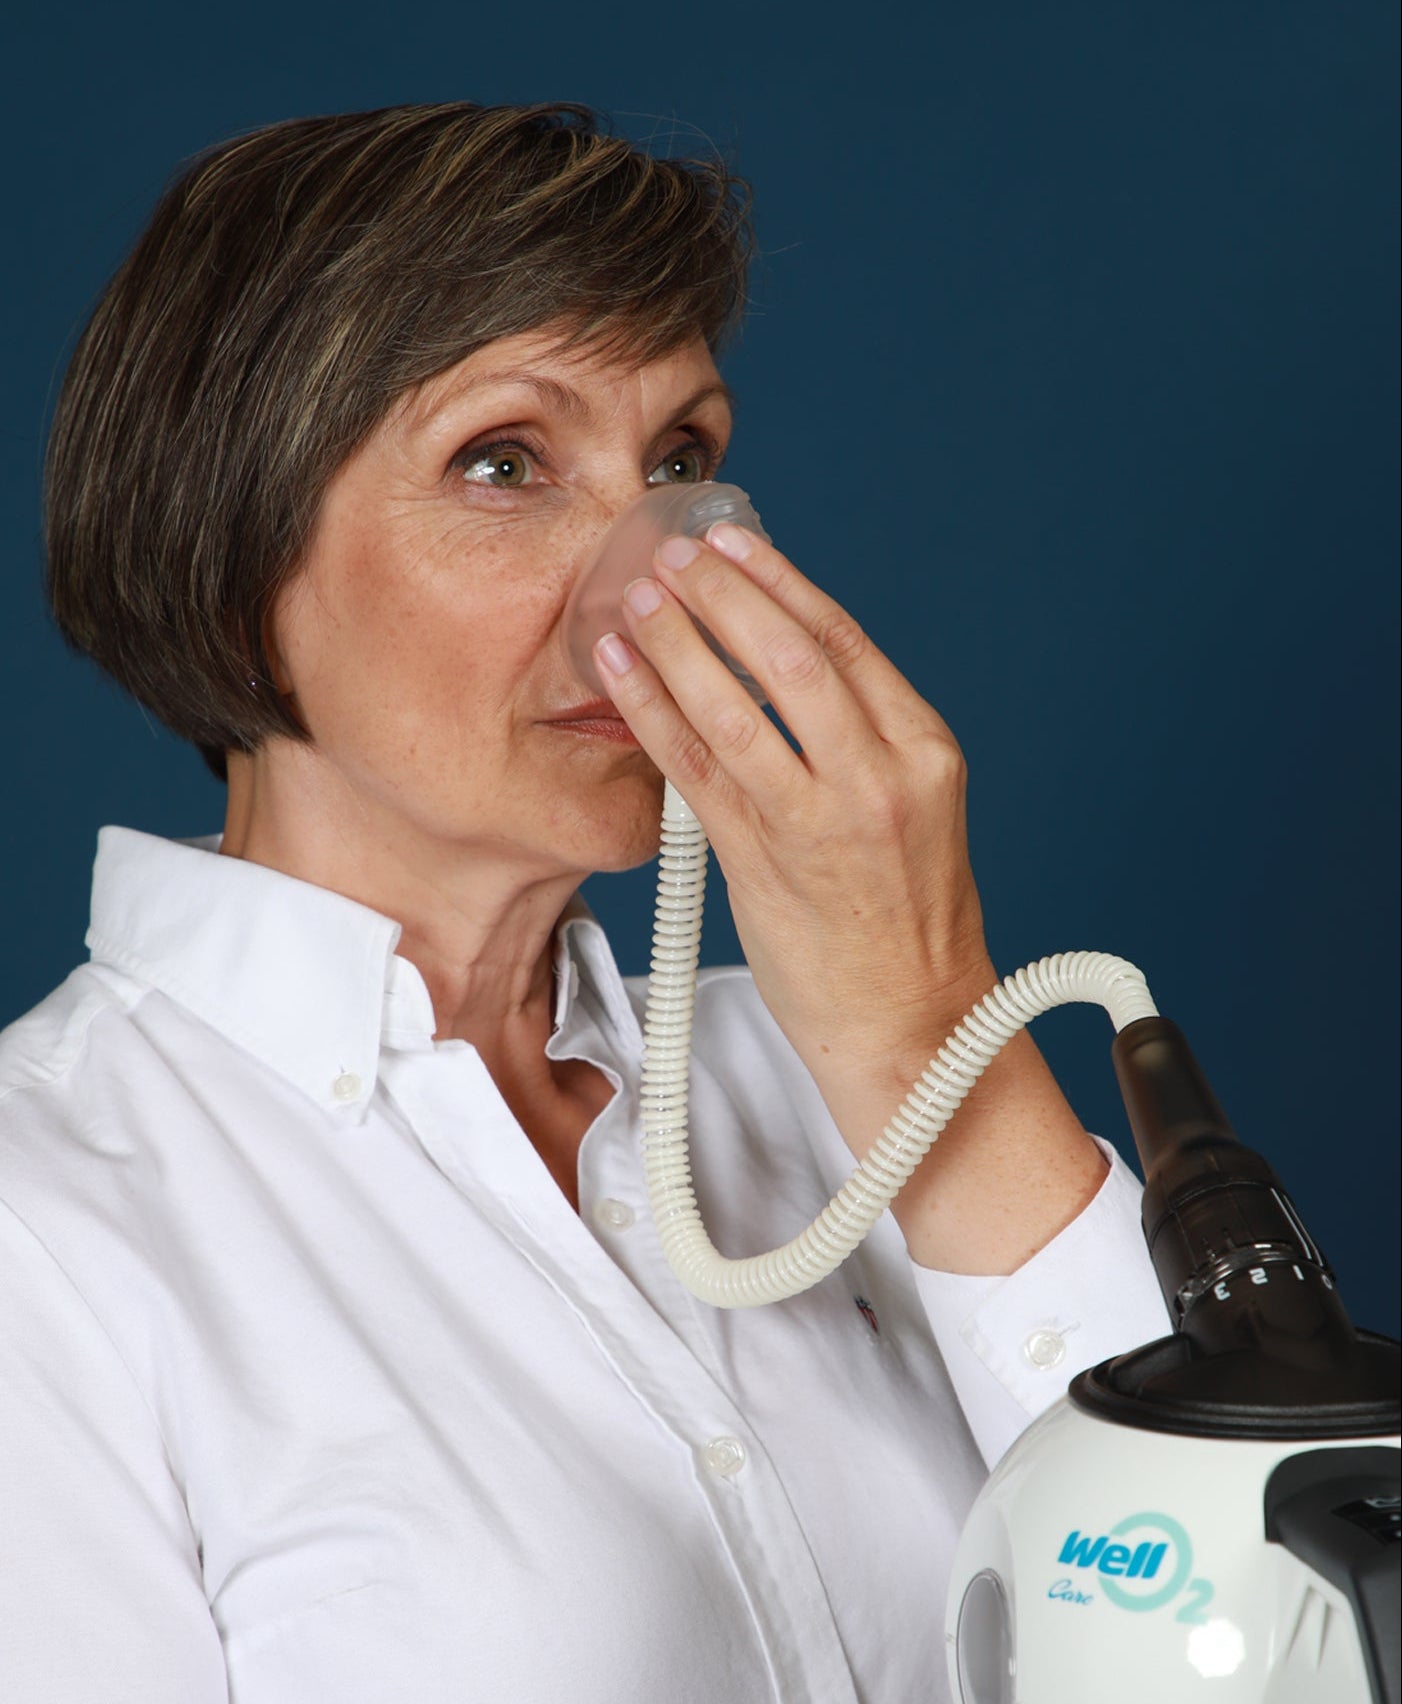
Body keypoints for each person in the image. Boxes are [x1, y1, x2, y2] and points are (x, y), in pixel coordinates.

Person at [0, 103, 1169, 1703]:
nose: (663, 573)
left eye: (682, 462)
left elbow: (1271, 1620)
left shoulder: (840, 1082)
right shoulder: (45, 1226)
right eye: (504, 462)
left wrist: (925, 1034)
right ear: (225, 550)